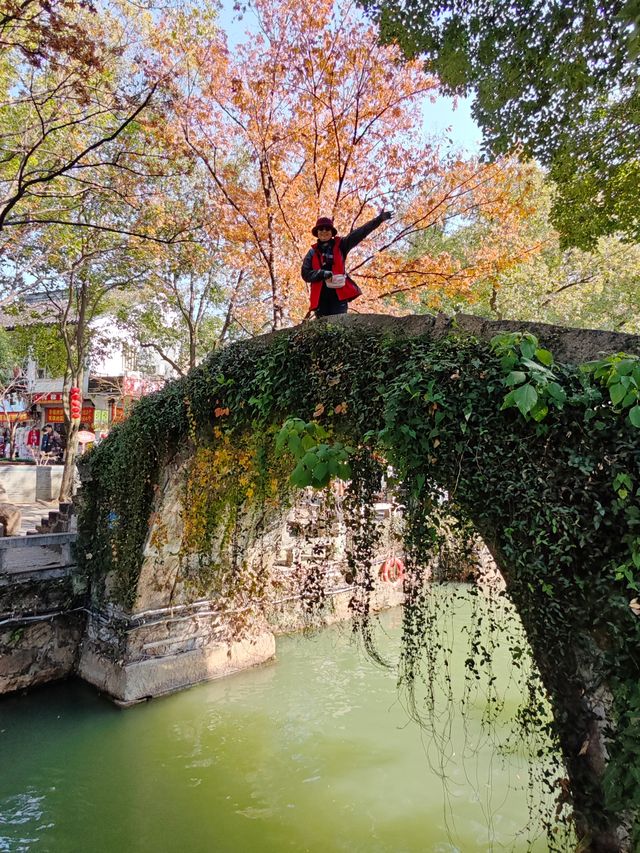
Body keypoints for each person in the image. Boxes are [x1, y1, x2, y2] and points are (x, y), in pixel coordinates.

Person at [301, 210, 392, 318]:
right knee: (323, 325)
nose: (324, 231)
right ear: (317, 232)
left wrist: (378, 220)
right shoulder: (312, 253)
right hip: (320, 297)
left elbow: (360, 233)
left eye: (327, 229)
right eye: (321, 229)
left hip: (339, 294)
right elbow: (305, 274)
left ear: (332, 232)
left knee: (340, 322)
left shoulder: (341, 245)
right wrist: (321, 274)